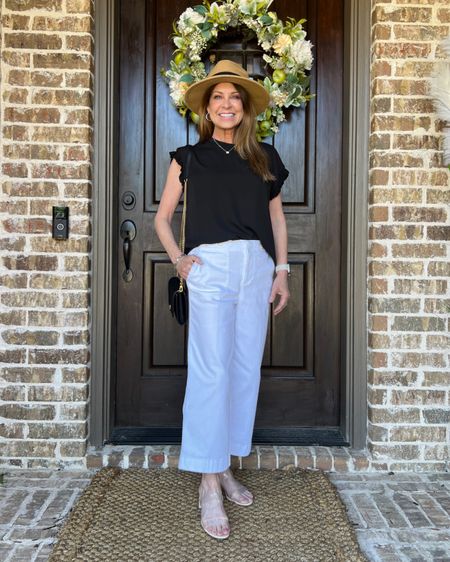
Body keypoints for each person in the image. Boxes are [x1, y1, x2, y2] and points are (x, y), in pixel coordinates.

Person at [155, 59, 290, 540]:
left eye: (234, 98)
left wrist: (281, 271)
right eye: (218, 98)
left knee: (243, 368)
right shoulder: (188, 158)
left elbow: (276, 221)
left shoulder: (264, 157)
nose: (227, 105)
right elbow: (162, 218)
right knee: (211, 371)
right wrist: (178, 260)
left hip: (255, 267)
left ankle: (225, 464)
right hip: (209, 268)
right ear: (207, 108)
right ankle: (208, 483)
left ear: (245, 107)